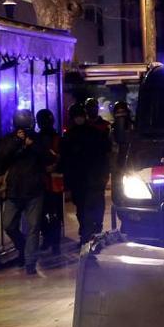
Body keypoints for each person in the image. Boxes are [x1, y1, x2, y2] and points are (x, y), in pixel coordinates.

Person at [0, 110, 46, 274]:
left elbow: (48, 157)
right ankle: (22, 247)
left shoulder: (37, 139)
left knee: (33, 227)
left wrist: (32, 146)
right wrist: (18, 141)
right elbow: (2, 156)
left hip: (34, 190)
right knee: (9, 225)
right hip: (14, 190)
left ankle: (30, 262)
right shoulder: (10, 139)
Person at [62, 103, 111, 247]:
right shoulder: (70, 136)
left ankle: (87, 237)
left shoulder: (94, 133)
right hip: (80, 180)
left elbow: (103, 155)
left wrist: (103, 176)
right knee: (82, 209)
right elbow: (67, 160)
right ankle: (88, 233)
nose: (79, 119)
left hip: (92, 179)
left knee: (89, 209)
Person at [36, 109, 62, 255]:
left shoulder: (55, 138)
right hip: (46, 181)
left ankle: (53, 242)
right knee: (48, 215)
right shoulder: (52, 137)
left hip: (51, 181)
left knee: (52, 215)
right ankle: (51, 241)